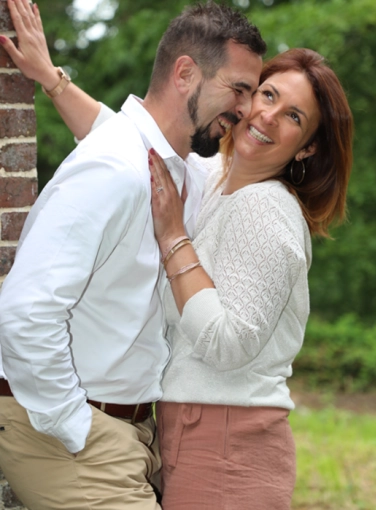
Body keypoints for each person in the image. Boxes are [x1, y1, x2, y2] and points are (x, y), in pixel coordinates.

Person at [0, 1, 266, 509]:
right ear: (185, 73)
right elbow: (25, 311)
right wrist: (74, 428)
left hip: (131, 437)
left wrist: (54, 80)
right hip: (70, 439)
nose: (248, 109)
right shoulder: (113, 167)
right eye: (240, 89)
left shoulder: (179, 168)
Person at [146, 48, 353, 510]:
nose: (268, 115)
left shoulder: (266, 209)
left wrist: (175, 238)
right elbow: (139, 144)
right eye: (268, 94)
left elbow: (228, 343)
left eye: (293, 115)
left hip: (225, 446)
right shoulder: (217, 180)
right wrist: (53, 80)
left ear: (308, 146)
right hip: (199, 434)